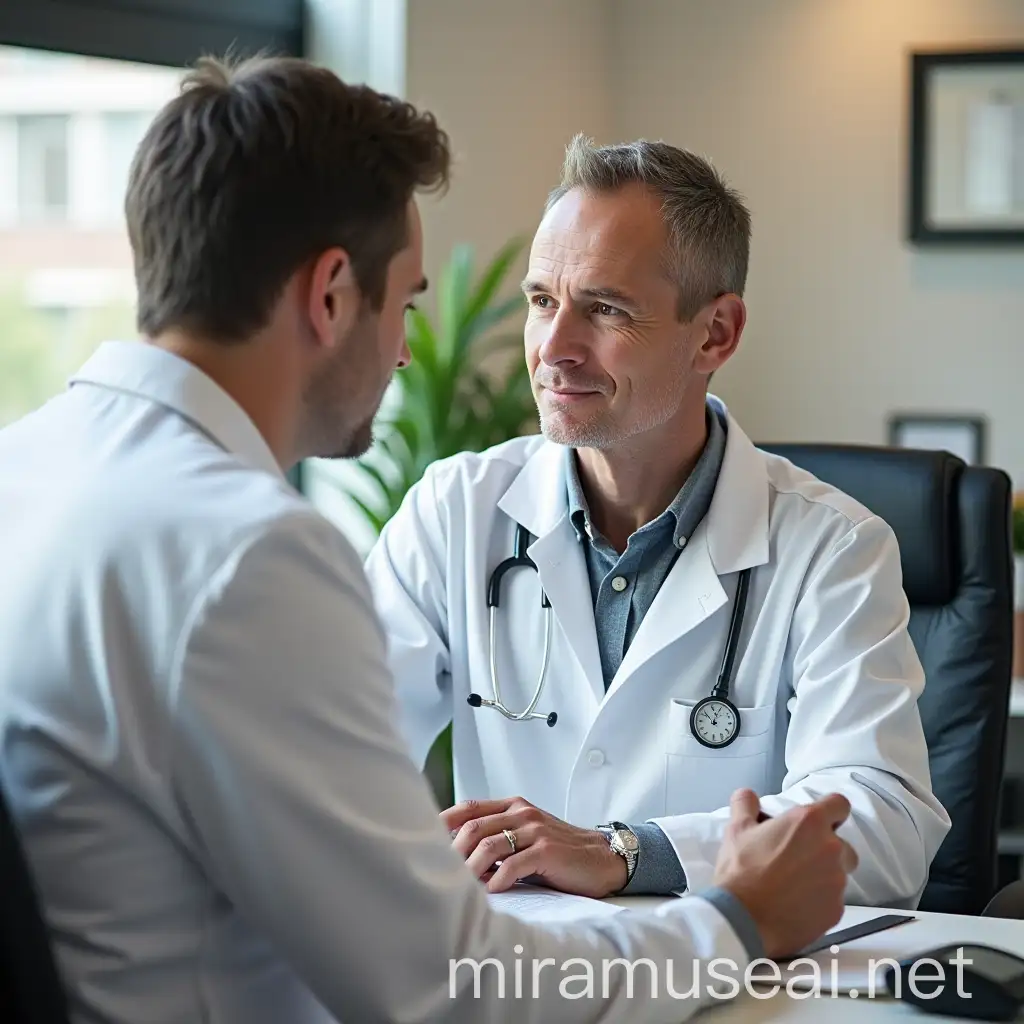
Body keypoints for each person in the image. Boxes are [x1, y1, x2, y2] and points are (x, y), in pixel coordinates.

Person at [0, 54, 857, 1024]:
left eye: (602, 309)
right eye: (405, 300)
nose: (409, 348)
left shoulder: (23, 474)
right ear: (330, 295)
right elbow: (456, 989)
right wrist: (736, 920)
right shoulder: (248, 554)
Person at [364, 134, 951, 910]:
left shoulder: (831, 547)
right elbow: (340, 750)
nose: (552, 350)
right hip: (518, 971)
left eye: (605, 309)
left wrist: (626, 854)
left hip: (735, 980)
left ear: (716, 333)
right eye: (543, 302)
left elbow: (881, 830)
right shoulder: (456, 510)